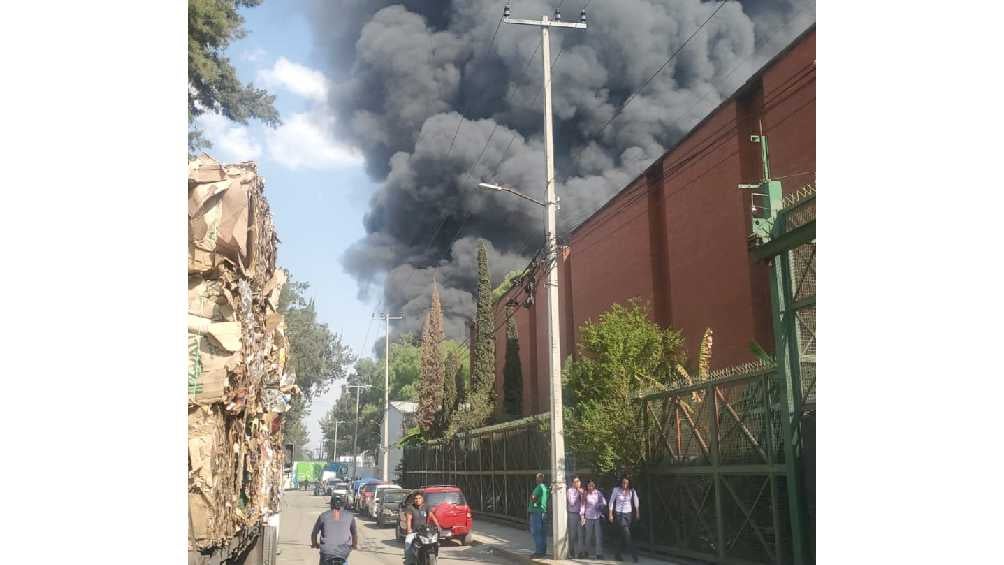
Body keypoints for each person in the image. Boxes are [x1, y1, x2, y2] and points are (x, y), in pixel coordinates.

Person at [311, 494, 358, 565]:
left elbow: (314, 533)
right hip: (343, 552)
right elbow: (354, 534)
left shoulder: (323, 516)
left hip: (326, 552)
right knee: (343, 560)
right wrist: (354, 545)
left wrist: (314, 544)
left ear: (331, 504)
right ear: (343, 504)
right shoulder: (350, 516)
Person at [608, 477, 640, 562]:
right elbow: (611, 501)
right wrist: (610, 514)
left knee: (623, 535)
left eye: (626, 483)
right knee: (627, 534)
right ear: (620, 483)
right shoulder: (616, 490)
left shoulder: (632, 490)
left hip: (628, 514)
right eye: (623, 483)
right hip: (619, 514)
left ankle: (617, 554)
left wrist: (637, 511)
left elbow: (636, 500)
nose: (625, 485)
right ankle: (634, 555)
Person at [404, 492, 441, 565]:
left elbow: (431, 516)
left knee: (436, 543)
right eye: (416, 498)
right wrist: (409, 530)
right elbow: (408, 520)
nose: (418, 500)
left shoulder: (426, 506)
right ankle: (409, 562)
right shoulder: (410, 508)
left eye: (419, 498)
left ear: (422, 499)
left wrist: (438, 526)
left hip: (425, 531)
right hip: (415, 532)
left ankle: (435, 557)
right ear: (414, 500)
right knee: (408, 544)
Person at [582, 480, 607, 560]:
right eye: (589, 485)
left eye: (592, 485)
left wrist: (599, 505)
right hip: (588, 517)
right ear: (587, 486)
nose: (591, 487)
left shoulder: (598, 493)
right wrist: (582, 515)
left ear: (594, 486)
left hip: (597, 517)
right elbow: (583, 505)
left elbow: (604, 502)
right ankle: (586, 552)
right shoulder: (585, 494)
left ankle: (599, 553)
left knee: (598, 536)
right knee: (588, 536)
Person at [528, 472, 549, 558]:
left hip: (536, 511)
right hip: (543, 511)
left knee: (536, 532)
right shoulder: (545, 487)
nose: (537, 479)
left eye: (537, 478)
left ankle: (539, 552)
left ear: (538, 479)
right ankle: (543, 551)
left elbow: (533, 498)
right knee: (542, 532)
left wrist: (534, 503)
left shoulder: (539, 487)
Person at [567, 476, 585, 558]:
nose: (577, 483)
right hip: (573, 514)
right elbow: (571, 502)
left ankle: (580, 552)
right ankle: (572, 551)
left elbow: (585, 501)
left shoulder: (582, 490)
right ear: (572, 483)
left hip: (580, 514)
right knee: (573, 534)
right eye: (575, 481)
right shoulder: (570, 491)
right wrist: (577, 493)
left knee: (581, 534)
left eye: (578, 481)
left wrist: (581, 493)